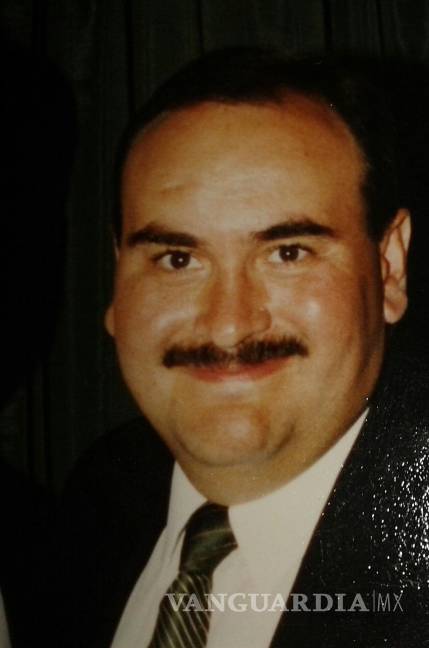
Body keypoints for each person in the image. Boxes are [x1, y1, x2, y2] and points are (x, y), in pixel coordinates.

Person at [54, 49, 429, 648]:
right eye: (178, 259)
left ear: (389, 268)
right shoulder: (98, 501)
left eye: (287, 253)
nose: (228, 327)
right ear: (116, 276)